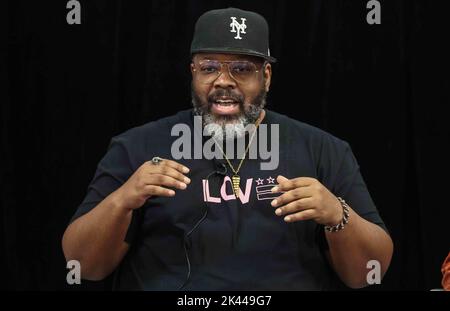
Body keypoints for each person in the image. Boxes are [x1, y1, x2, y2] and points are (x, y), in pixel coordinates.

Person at [62, 7, 393, 290]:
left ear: (266, 76)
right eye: (209, 68)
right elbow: (83, 266)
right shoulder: (137, 146)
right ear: (193, 72)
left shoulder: (323, 150)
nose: (223, 80)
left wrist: (338, 214)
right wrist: (123, 198)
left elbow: (369, 274)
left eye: (241, 69)